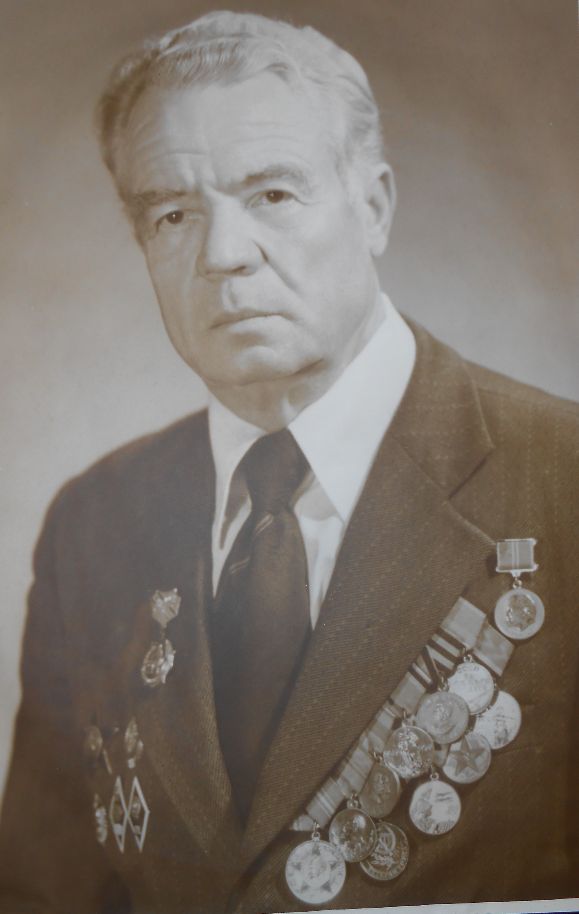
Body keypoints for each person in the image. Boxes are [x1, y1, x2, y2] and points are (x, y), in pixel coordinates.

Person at [0, 10, 577, 914]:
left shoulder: (563, 482)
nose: (224, 256)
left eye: (272, 194)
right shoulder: (95, 521)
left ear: (372, 207)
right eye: (173, 214)